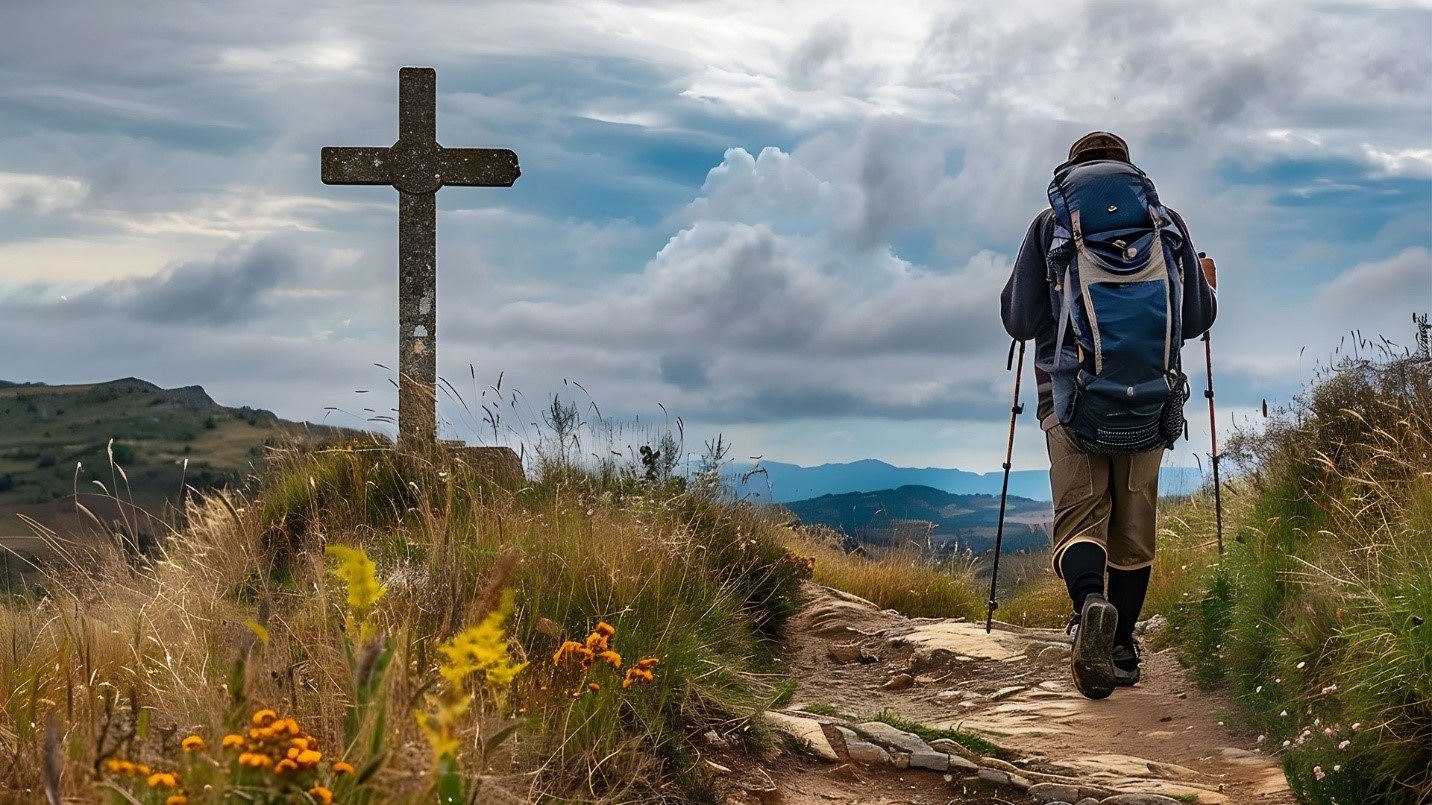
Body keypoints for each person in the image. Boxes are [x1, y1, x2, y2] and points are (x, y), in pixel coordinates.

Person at [1000, 131, 1218, 699]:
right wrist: (1208, 284)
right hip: (1150, 397)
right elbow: (1195, 318)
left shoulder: (1050, 226)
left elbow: (1020, 321)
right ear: (1129, 168)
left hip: (1070, 399)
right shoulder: (1166, 224)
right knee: (1133, 525)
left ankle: (1088, 607)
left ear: (1072, 173)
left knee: (1080, 516)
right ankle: (1121, 647)